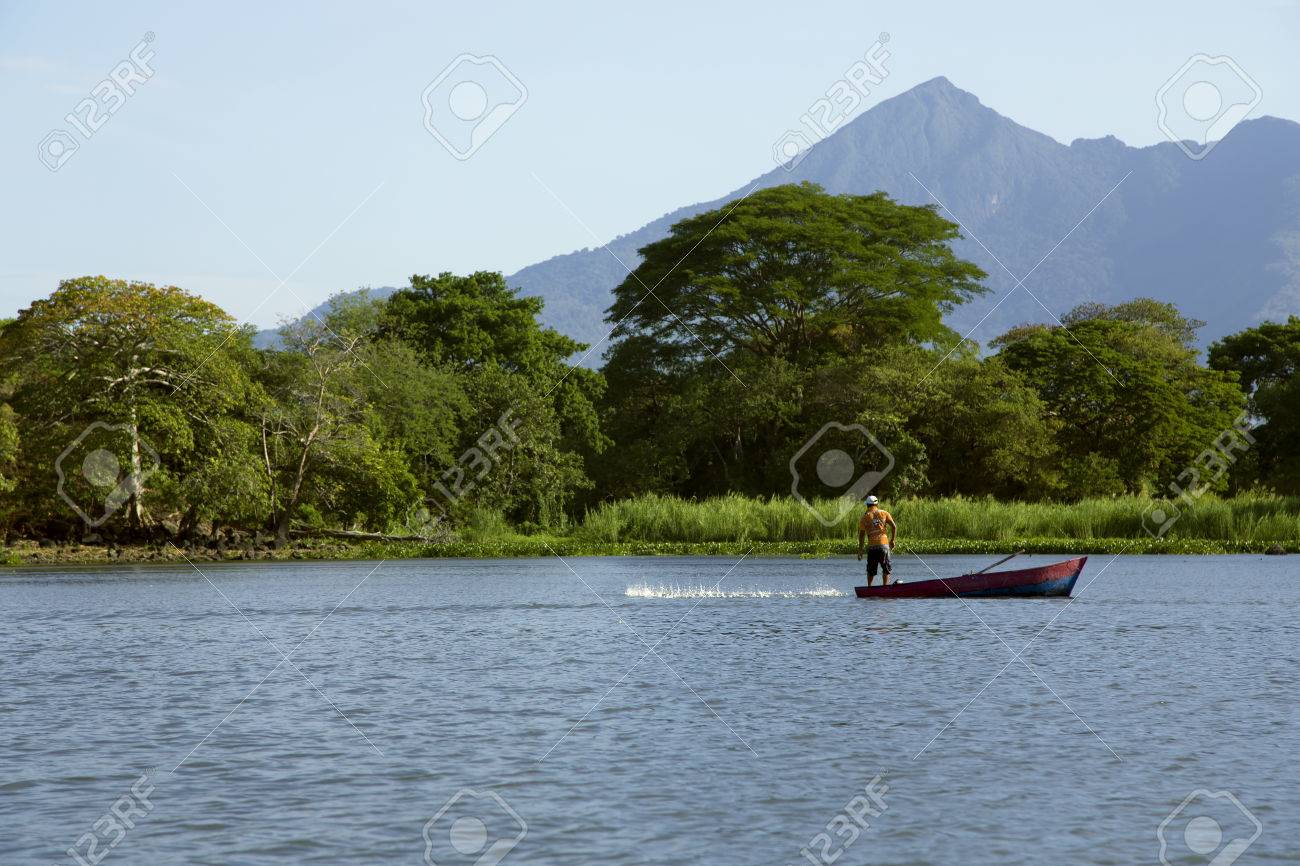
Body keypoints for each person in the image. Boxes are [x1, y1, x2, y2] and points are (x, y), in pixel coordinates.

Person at [856, 495, 897, 586]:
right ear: (877, 504)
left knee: (871, 570)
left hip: (872, 547)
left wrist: (860, 550)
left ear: (867, 505)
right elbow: (894, 526)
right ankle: (885, 587)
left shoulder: (864, 518)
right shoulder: (884, 513)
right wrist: (892, 540)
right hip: (884, 545)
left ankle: (869, 588)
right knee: (886, 569)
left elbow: (861, 535)